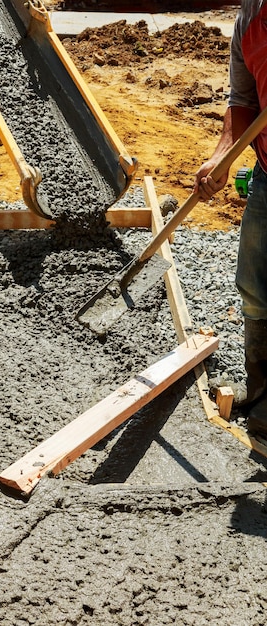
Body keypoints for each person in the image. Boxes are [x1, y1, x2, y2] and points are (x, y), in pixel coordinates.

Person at [193, 0, 267, 437]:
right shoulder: (251, 15)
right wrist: (221, 157)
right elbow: (243, 100)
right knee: (255, 288)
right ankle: (260, 393)